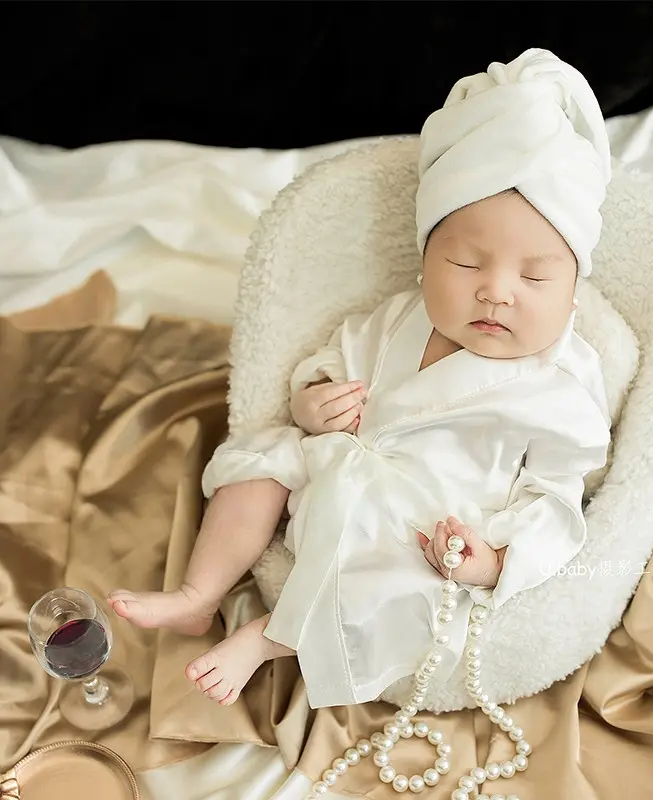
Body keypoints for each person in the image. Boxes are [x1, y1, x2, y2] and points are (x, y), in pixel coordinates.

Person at [108, 48, 613, 710]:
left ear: (573, 288)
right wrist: (313, 403)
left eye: (535, 277)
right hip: (338, 462)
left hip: (432, 520)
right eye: (464, 264)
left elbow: (557, 497)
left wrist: (491, 558)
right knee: (258, 461)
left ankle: (268, 637)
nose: (495, 293)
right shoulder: (399, 317)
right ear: (426, 255)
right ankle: (198, 596)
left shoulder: (563, 383)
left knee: (398, 578)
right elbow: (331, 363)